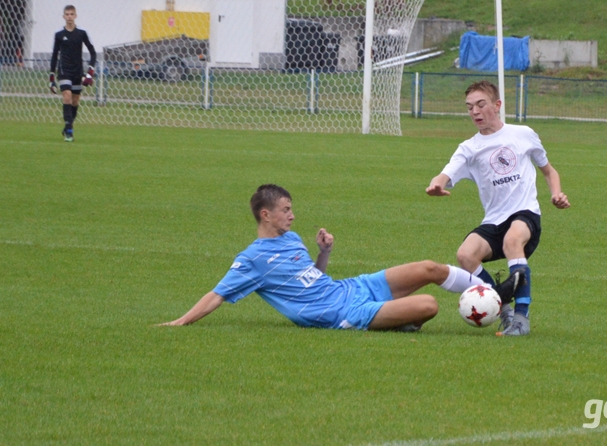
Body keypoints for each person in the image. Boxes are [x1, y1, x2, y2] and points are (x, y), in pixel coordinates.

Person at [159, 184, 521, 331]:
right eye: (285, 210)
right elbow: (217, 294)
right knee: (429, 305)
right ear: (265, 215)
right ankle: (396, 320)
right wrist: (181, 322)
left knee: (430, 268)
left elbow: (312, 276)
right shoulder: (252, 259)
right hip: (341, 313)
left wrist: (324, 253)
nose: (292, 216)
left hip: (350, 288)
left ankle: (496, 296)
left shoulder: (292, 240)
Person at [426, 80, 570, 337]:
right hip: (494, 219)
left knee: (512, 240)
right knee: (465, 254)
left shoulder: (523, 134)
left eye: (481, 104)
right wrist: (437, 184)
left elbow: (549, 171)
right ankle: (504, 310)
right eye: (469, 107)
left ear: (497, 105)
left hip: (525, 213)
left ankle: (522, 319)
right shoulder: (469, 148)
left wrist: (556, 194)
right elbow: (446, 173)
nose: (475, 111)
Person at [49, 5, 96, 142]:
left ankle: (67, 126)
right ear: (64, 16)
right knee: (67, 96)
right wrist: (52, 77)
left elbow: (93, 52)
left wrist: (89, 73)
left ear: (75, 16)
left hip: (77, 71)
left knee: (75, 101)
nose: (69, 16)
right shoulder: (59, 35)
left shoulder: (81, 33)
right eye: (67, 14)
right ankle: (69, 132)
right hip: (64, 70)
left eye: (71, 14)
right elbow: (54, 55)